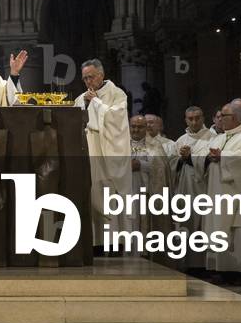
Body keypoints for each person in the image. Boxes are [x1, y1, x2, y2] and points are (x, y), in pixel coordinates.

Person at [196, 99, 241, 284]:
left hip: (238, 195)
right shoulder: (219, 137)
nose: (220, 119)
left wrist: (223, 157)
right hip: (217, 193)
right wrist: (207, 158)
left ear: (233, 118)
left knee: (240, 233)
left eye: (223, 116)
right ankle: (223, 270)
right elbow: (202, 157)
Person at [73, 59, 130, 251]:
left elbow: (117, 119)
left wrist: (96, 102)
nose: (88, 82)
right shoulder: (81, 98)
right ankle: (94, 242)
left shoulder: (116, 93)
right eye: (85, 78)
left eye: (91, 77)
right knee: (91, 193)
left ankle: (113, 243)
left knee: (107, 193)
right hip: (87, 150)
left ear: (101, 75)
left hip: (106, 151)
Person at [171, 106, 216, 271]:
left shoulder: (212, 138)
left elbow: (212, 161)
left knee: (202, 226)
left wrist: (191, 158)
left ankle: (204, 265)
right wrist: (180, 160)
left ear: (203, 118)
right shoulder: (180, 140)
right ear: (185, 119)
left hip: (204, 188)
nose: (194, 121)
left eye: (197, 118)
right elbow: (170, 164)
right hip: (184, 188)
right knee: (185, 224)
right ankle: (187, 264)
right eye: (190, 118)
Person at [128, 115, 171, 238]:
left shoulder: (155, 145)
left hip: (146, 193)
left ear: (146, 128)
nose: (136, 130)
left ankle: (144, 253)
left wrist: (140, 164)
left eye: (140, 127)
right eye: (133, 126)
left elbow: (161, 167)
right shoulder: (120, 144)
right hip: (125, 192)